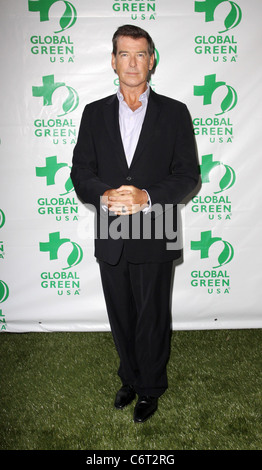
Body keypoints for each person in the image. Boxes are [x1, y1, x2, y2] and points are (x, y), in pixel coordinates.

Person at [71, 24, 199, 423]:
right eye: (124, 54)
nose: (132, 62)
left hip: (156, 223)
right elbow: (80, 172)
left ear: (152, 60)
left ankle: (151, 387)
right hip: (111, 228)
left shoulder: (175, 112)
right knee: (121, 313)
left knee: (153, 314)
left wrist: (145, 196)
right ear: (113, 61)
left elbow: (187, 175)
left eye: (140, 54)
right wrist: (103, 194)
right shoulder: (94, 114)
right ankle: (129, 377)